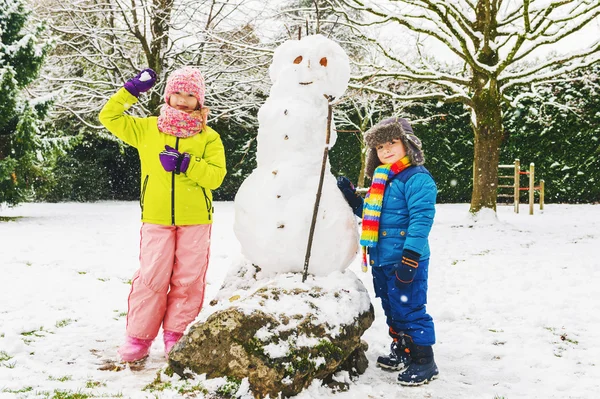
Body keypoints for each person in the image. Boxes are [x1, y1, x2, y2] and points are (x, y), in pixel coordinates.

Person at [99, 66, 227, 362]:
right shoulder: (147, 129)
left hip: (196, 219)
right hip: (156, 218)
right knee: (151, 278)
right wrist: (131, 91)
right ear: (168, 95)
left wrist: (186, 164)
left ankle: (176, 337)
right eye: (178, 92)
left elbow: (216, 177)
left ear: (200, 100)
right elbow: (109, 117)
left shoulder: (209, 137)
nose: (183, 99)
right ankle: (138, 339)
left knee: (188, 279)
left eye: (191, 94)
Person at [337, 117, 438, 385]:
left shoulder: (416, 179)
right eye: (380, 147)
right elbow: (372, 215)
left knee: (410, 307)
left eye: (392, 143)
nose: (386, 150)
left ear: (408, 144)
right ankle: (403, 349)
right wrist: (352, 198)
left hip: (406, 259)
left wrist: (410, 258)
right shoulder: (382, 179)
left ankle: (423, 360)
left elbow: (421, 221)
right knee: (392, 307)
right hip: (382, 258)